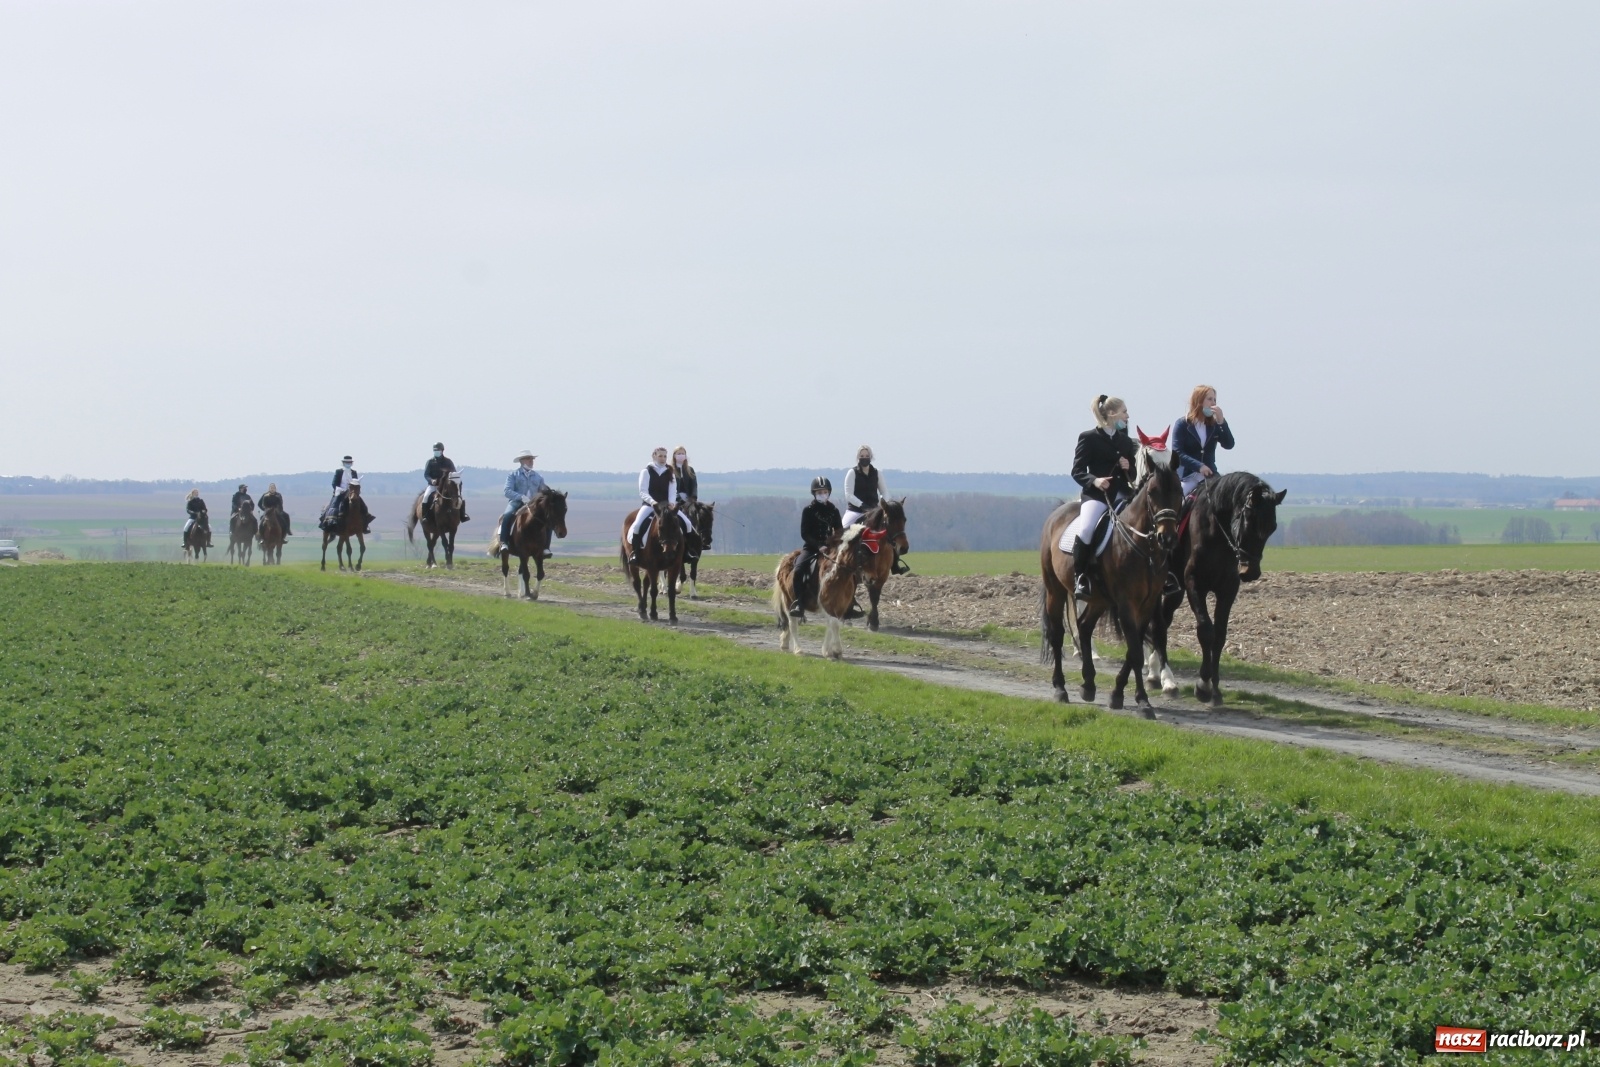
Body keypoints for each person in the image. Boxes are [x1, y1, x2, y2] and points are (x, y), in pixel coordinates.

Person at [1060, 395, 1137, 598]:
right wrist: (1095, 481)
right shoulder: (1089, 438)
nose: (1127, 416)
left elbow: (1133, 475)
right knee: (1086, 529)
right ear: (1112, 414)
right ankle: (1081, 577)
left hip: (1122, 494)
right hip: (1097, 495)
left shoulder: (1126, 441)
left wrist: (1128, 467)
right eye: (1124, 412)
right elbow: (1077, 471)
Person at [842, 445, 909, 575]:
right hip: (855, 511)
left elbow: (884, 491)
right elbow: (848, 494)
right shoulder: (852, 473)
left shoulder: (877, 473)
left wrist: (887, 505)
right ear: (858, 458)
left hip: (873, 510)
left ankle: (895, 564)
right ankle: (842, 562)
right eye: (862, 456)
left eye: (867, 456)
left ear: (871, 457)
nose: (864, 458)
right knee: (843, 530)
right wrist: (862, 505)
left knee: (889, 533)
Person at [628, 446, 694, 564]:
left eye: (664, 456)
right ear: (654, 456)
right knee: (637, 525)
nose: (663, 459)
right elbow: (643, 491)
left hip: (667, 506)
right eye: (660, 456)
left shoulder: (670, 471)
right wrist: (653, 502)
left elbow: (672, 491)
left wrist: (672, 503)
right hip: (650, 505)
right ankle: (635, 553)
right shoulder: (646, 471)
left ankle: (686, 552)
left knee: (688, 523)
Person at [790, 476, 843, 618]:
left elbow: (839, 531)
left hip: (830, 548)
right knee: (799, 570)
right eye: (819, 492)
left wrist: (833, 543)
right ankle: (799, 603)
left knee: (847, 568)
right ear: (814, 494)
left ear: (829, 492)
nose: (822, 494)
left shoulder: (834, 511)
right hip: (812, 548)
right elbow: (804, 533)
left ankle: (850, 603)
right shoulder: (808, 510)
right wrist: (818, 545)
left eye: (825, 492)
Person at [1171, 384, 1235, 497]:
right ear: (1199, 401)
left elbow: (1229, 444)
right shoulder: (1182, 424)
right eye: (1210, 399)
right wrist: (1199, 466)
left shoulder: (1214, 425)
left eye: (1214, 400)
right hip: (1188, 476)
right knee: (1179, 500)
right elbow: (1177, 453)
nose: (1213, 403)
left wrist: (1222, 422)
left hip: (1211, 476)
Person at [501, 450, 548, 549]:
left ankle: (546, 547)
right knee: (507, 515)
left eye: (532, 459)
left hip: (534, 504)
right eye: (528, 458)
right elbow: (507, 491)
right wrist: (521, 497)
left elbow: (543, 491)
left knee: (548, 519)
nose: (531, 461)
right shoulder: (513, 475)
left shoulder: (538, 477)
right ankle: (504, 542)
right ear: (521, 461)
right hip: (516, 502)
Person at [423, 442, 470, 522]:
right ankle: (425, 516)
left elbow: (454, 473)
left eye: (438, 450)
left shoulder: (448, 462)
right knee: (425, 497)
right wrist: (431, 480)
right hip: (434, 485)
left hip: (446, 486)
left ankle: (463, 515)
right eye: (435, 450)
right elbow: (426, 474)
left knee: (461, 497)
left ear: (442, 451)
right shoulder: (430, 462)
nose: (436, 451)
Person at [322, 456, 371, 532]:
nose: (348, 464)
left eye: (349, 462)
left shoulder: (354, 472)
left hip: (351, 492)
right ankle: (331, 520)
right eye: (347, 462)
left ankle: (365, 523)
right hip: (340, 492)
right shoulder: (339, 472)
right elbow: (334, 483)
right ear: (343, 463)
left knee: (362, 504)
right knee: (335, 504)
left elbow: (356, 482)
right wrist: (339, 489)